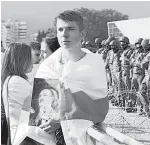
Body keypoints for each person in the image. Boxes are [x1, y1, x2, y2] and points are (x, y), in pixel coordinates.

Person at [35, 10, 109, 145]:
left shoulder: (94, 64)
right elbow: (39, 106)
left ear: (82, 34)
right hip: (49, 136)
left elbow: (100, 108)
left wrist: (62, 119)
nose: (64, 34)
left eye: (71, 29)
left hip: (81, 136)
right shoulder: (47, 66)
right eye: (60, 29)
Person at [1, 43, 33, 144]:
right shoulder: (17, 82)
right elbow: (35, 108)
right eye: (30, 57)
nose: (32, 61)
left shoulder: (11, 79)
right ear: (22, 60)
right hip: (23, 137)